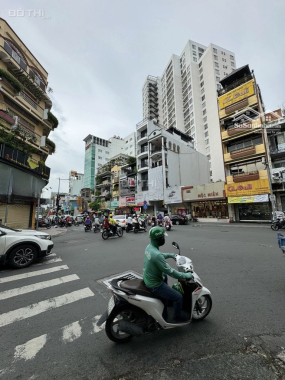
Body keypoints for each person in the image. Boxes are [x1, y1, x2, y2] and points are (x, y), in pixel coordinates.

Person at [143, 226, 193, 323]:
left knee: (164, 277)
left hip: (148, 278)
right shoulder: (156, 255)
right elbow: (171, 272)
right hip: (154, 285)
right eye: (163, 237)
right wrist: (186, 276)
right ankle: (177, 317)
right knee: (178, 297)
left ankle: (166, 300)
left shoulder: (149, 247)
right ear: (159, 239)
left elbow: (159, 256)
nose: (164, 239)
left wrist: (171, 255)